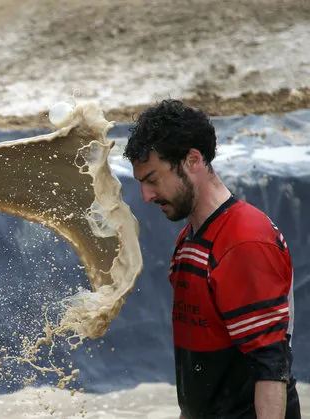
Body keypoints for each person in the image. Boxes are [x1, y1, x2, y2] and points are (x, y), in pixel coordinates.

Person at [124, 99, 300, 419]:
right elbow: (200, 375)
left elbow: (271, 368)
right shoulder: (193, 236)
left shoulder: (243, 241)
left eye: (152, 180)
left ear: (192, 160)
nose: (146, 196)